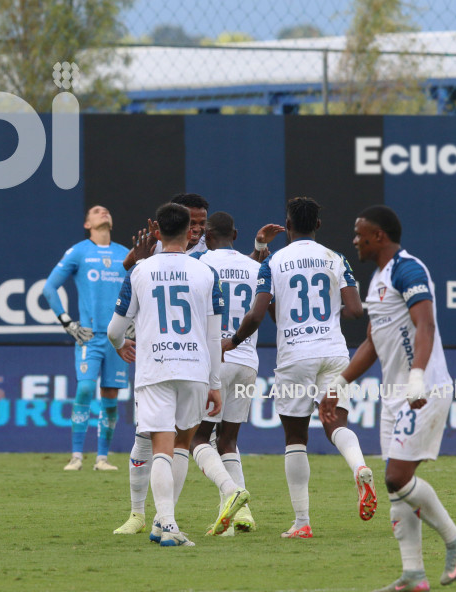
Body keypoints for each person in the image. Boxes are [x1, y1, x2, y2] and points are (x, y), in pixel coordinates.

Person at [113, 194, 282, 535]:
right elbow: (213, 325)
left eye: (202, 224)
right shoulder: (186, 263)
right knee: (153, 442)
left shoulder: (203, 262)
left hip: (160, 364)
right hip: (195, 363)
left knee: (171, 443)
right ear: (178, 223)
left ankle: (164, 519)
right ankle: (139, 514)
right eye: (192, 222)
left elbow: (120, 318)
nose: (197, 229)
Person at [334, 205, 456, 592]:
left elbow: (425, 324)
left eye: (360, 233)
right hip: (394, 395)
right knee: (396, 487)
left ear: (378, 236)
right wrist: (340, 382)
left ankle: (455, 539)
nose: (355, 240)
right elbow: (374, 341)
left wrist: (416, 378)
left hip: (422, 390)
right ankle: (413, 573)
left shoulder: (407, 269)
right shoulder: (378, 278)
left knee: (397, 477)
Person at [222, 197, 376, 539]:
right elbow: (353, 310)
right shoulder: (336, 259)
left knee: (296, 438)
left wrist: (231, 342)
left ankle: (302, 522)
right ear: (317, 226)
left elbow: (257, 314)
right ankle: (360, 466)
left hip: (295, 355)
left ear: (288, 226)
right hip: (334, 352)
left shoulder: (274, 262)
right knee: (336, 424)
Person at [188, 211, 278, 535]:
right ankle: (244, 515)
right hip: (247, 362)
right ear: (235, 235)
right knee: (228, 440)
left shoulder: (199, 266)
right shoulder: (257, 267)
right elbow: (268, 310)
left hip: (216, 359)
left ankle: (231, 492)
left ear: (206, 236)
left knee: (198, 438)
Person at [43, 205, 130, 472]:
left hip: (118, 337)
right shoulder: (79, 251)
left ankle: (102, 458)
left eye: (106, 211)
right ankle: (76, 456)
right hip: (89, 335)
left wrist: (135, 323)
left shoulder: (125, 254)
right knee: (84, 388)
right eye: (96, 211)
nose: (104, 212)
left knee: (111, 394)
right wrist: (67, 322)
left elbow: (139, 291)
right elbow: (49, 288)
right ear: (87, 224)